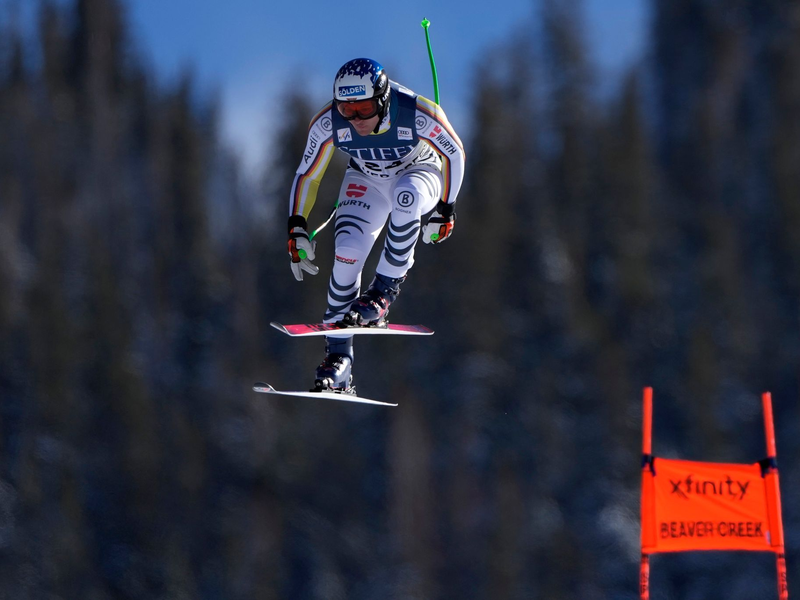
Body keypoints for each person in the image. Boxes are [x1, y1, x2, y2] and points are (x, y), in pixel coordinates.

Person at [286, 58, 465, 393]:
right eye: (347, 110)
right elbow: (307, 173)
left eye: (365, 108)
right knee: (347, 253)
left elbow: (454, 153)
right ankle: (339, 361)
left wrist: (446, 209)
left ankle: (383, 292)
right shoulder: (328, 123)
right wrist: (296, 225)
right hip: (366, 176)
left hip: (419, 172)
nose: (356, 120)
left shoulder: (415, 111)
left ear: (383, 98)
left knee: (407, 198)